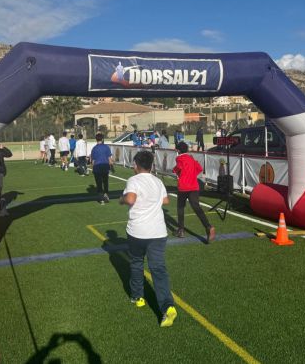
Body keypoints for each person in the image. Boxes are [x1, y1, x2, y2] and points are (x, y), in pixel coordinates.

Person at [119, 150, 177, 328]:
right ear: (151, 165)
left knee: (136, 262)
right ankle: (167, 306)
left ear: (136, 165)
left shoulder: (134, 180)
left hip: (138, 232)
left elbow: (130, 199)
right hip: (158, 232)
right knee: (158, 268)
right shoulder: (157, 181)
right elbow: (166, 201)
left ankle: (138, 297)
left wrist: (121, 200)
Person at [172, 141, 215, 243]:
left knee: (180, 208)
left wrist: (175, 170)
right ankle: (208, 226)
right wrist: (191, 175)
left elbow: (178, 168)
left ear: (178, 150)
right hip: (194, 186)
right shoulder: (191, 158)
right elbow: (199, 168)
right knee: (197, 207)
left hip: (183, 187)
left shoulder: (179, 158)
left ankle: (181, 230)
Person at [90, 133, 114, 204]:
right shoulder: (106, 147)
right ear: (103, 139)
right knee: (105, 182)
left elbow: (93, 161)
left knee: (99, 184)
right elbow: (109, 159)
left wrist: (92, 168)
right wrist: (111, 167)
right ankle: (106, 195)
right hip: (105, 167)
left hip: (97, 168)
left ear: (96, 139)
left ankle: (101, 199)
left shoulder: (94, 148)